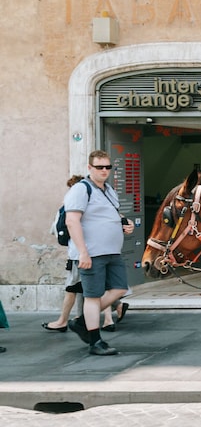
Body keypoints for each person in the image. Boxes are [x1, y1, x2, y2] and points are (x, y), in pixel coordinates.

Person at [65, 151, 135, 356]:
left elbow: (113, 213)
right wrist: (83, 253)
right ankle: (95, 341)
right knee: (93, 297)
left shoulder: (109, 190)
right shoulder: (81, 189)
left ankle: (82, 321)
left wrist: (125, 223)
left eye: (107, 167)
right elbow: (72, 221)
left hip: (112, 251)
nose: (104, 171)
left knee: (120, 288)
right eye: (99, 167)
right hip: (92, 253)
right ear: (89, 168)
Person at [45, 175, 121, 333]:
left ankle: (66, 321)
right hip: (100, 252)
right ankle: (108, 318)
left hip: (81, 255)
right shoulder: (98, 204)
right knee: (99, 288)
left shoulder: (71, 206)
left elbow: (60, 232)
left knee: (72, 288)